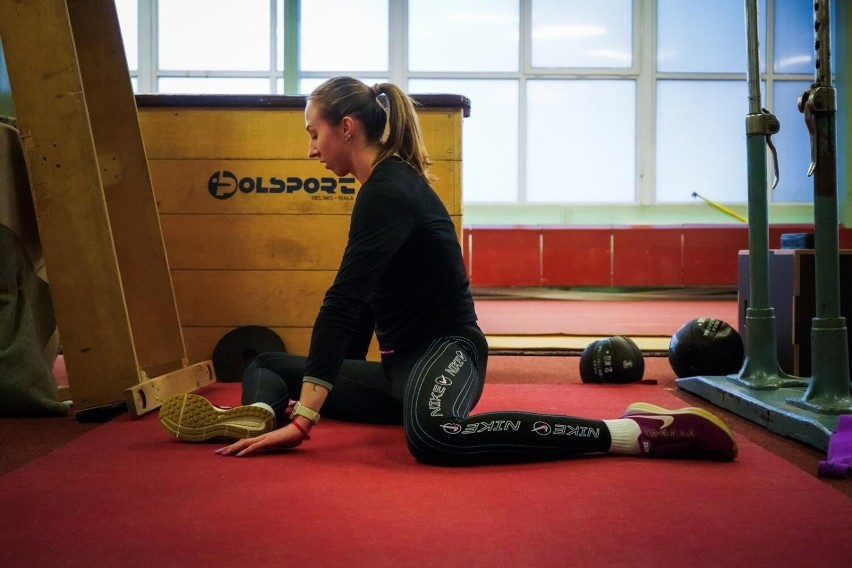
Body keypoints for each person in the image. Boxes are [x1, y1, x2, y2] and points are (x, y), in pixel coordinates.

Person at [158, 77, 737, 465]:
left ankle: (632, 433)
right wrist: (309, 395)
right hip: (395, 372)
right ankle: (256, 414)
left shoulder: (390, 190)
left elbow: (342, 298)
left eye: (314, 134)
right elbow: (360, 307)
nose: (312, 149)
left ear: (347, 128)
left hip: (449, 353)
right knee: (266, 364)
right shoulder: (375, 188)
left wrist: (307, 416)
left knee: (434, 435)